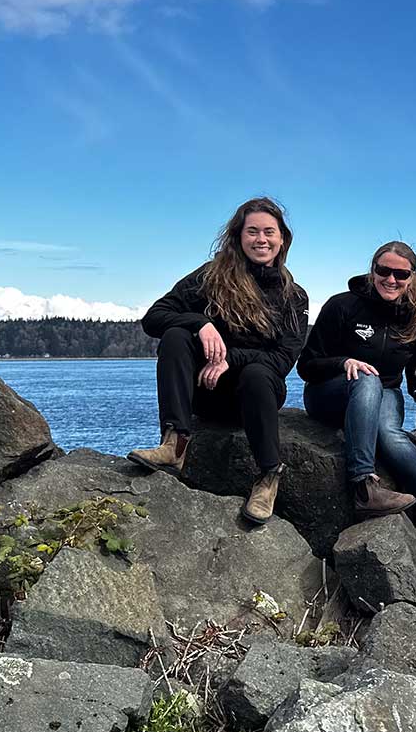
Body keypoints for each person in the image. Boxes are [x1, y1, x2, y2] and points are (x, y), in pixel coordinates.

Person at [129, 197, 309, 525]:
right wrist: (200, 324)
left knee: (257, 372)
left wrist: (228, 357)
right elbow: (153, 318)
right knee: (176, 335)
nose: (261, 239)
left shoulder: (292, 295)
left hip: (255, 396)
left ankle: (268, 477)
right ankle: (174, 443)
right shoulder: (212, 276)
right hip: (206, 393)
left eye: (269, 232)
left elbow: (283, 360)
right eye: (252, 231)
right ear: (239, 236)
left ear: (282, 238)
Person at [298, 241, 416, 527]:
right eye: (384, 271)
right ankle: (365, 486)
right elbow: (307, 366)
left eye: (401, 274)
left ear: (412, 277)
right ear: (372, 270)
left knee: (390, 436)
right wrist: (343, 363)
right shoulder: (342, 306)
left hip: (385, 393)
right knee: (366, 378)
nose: (391, 279)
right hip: (329, 392)